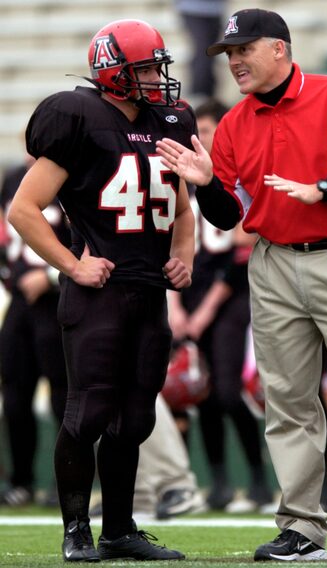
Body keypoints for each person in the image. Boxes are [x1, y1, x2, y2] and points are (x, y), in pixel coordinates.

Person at [156, 8, 327, 562]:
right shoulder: (231, 124)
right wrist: (205, 186)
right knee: (288, 400)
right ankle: (302, 527)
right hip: (272, 263)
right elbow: (227, 217)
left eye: (242, 50)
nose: (233, 62)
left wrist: (321, 188)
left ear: (278, 48)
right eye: (228, 54)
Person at [7, 19, 195, 563]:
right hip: (99, 292)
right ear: (114, 70)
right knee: (87, 412)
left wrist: (182, 256)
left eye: (157, 67)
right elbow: (24, 210)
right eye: (143, 68)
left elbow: (182, 209)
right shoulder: (76, 115)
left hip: (149, 288)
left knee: (136, 417)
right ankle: (76, 531)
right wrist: (72, 265)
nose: (157, 79)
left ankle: (119, 529)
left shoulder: (170, 120)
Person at [167, 97, 273, 511]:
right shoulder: (179, 179)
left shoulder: (234, 175)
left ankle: (259, 480)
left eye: (209, 129)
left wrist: (205, 310)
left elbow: (240, 250)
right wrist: (176, 306)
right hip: (188, 296)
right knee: (203, 397)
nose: (202, 137)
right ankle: (220, 482)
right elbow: (170, 244)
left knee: (229, 392)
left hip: (229, 298)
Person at [0, 154, 68, 507]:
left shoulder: (69, 176)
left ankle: (66, 481)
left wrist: (51, 277)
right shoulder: (13, 178)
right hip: (20, 304)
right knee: (15, 393)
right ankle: (21, 480)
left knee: (63, 394)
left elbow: (86, 240)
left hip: (56, 301)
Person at [175, 0, 226, 102]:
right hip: (192, 10)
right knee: (203, 52)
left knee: (209, 53)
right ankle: (199, 93)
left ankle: (207, 93)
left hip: (216, 10)